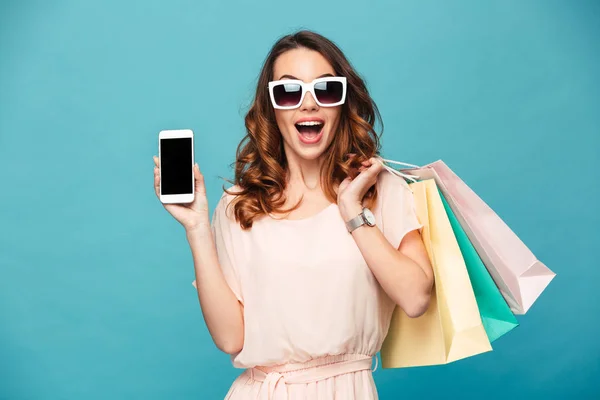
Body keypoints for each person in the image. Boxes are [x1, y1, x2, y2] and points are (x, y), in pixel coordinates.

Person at [153, 30, 434, 400]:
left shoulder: (380, 191)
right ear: (272, 109)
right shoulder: (241, 206)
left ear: (342, 103)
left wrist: (352, 211)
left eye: (325, 90)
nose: (308, 105)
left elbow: (416, 298)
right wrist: (196, 229)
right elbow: (230, 338)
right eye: (288, 92)